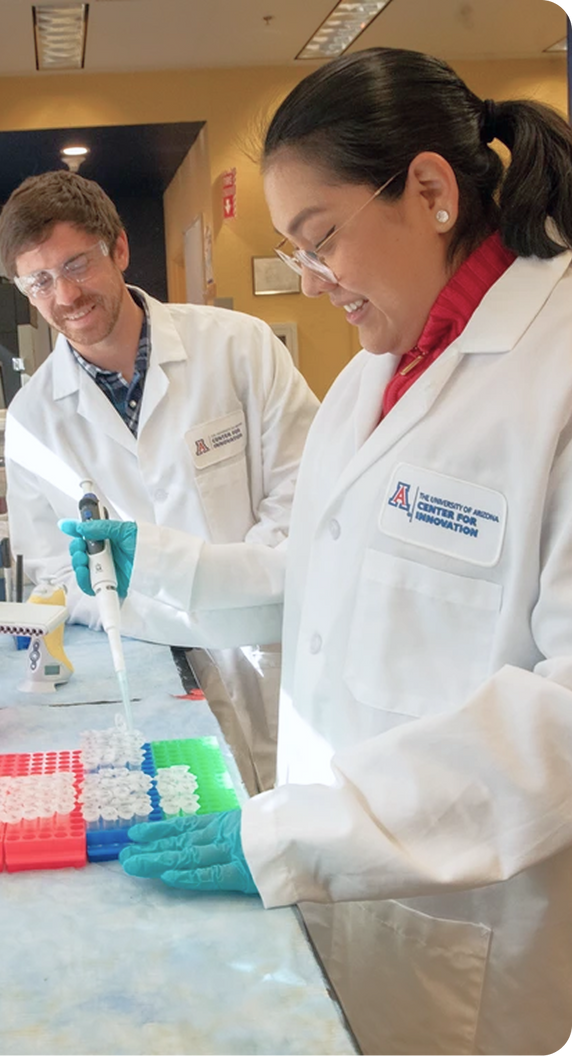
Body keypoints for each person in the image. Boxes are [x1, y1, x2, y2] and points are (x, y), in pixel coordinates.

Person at [63, 48, 572, 1056]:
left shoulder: (554, 368)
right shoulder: (368, 378)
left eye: (320, 238)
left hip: (479, 927)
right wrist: (159, 565)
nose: (312, 279)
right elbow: (318, 579)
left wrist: (320, 831)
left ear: (429, 189)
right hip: (348, 896)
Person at [0, 169, 318, 793]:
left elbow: (302, 493)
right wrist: (158, 608)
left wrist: (211, 581)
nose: (64, 295)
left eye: (77, 265)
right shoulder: (32, 418)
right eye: (40, 281)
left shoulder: (239, 346)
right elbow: (54, 570)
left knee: (305, 838)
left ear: (118, 249)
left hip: (271, 645)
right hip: (153, 662)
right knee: (198, 822)